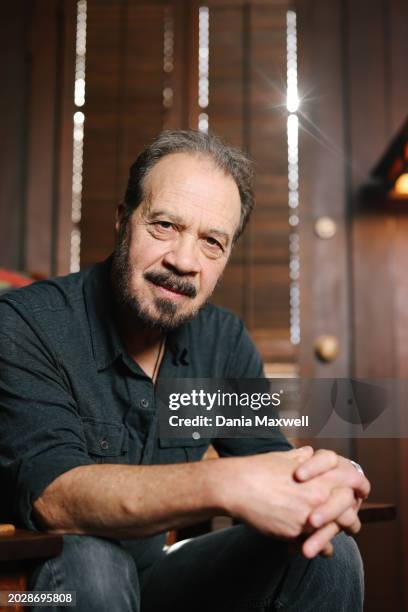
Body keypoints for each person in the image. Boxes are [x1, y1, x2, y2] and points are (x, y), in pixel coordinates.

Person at [0, 130, 369, 611]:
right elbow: (56, 498)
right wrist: (224, 484)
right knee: (93, 561)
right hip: (48, 579)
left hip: (163, 577)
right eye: (165, 226)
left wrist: (332, 484)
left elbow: (276, 467)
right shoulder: (25, 324)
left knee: (329, 551)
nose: (183, 260)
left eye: (211, 242)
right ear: (121, 221)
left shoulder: (224, 340)